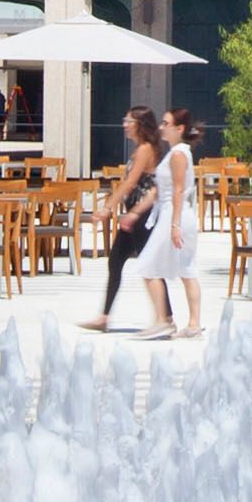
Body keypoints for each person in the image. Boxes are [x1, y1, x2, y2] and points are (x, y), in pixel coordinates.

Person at [86, 119, 161, 329]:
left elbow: (129, 183)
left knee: (149, 266)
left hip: (141, 215)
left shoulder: (145, 149)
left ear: (140, 125)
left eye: (129, 121)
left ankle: (166, 318)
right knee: (116, 260)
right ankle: (104, 317)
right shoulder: (140, 148)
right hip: (132, 215)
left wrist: (107, 208)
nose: (124, 124)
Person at [140, 109, 207, 342]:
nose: (161, 127)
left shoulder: (178, 154)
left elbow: (178, 189)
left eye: (166, 123)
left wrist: (175, 224)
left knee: (150, 265)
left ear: (179, 129)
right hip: (172, 214)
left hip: (175, 215)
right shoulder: (177, 153)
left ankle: (165, 320)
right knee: (185, 270)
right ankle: (190, 324)